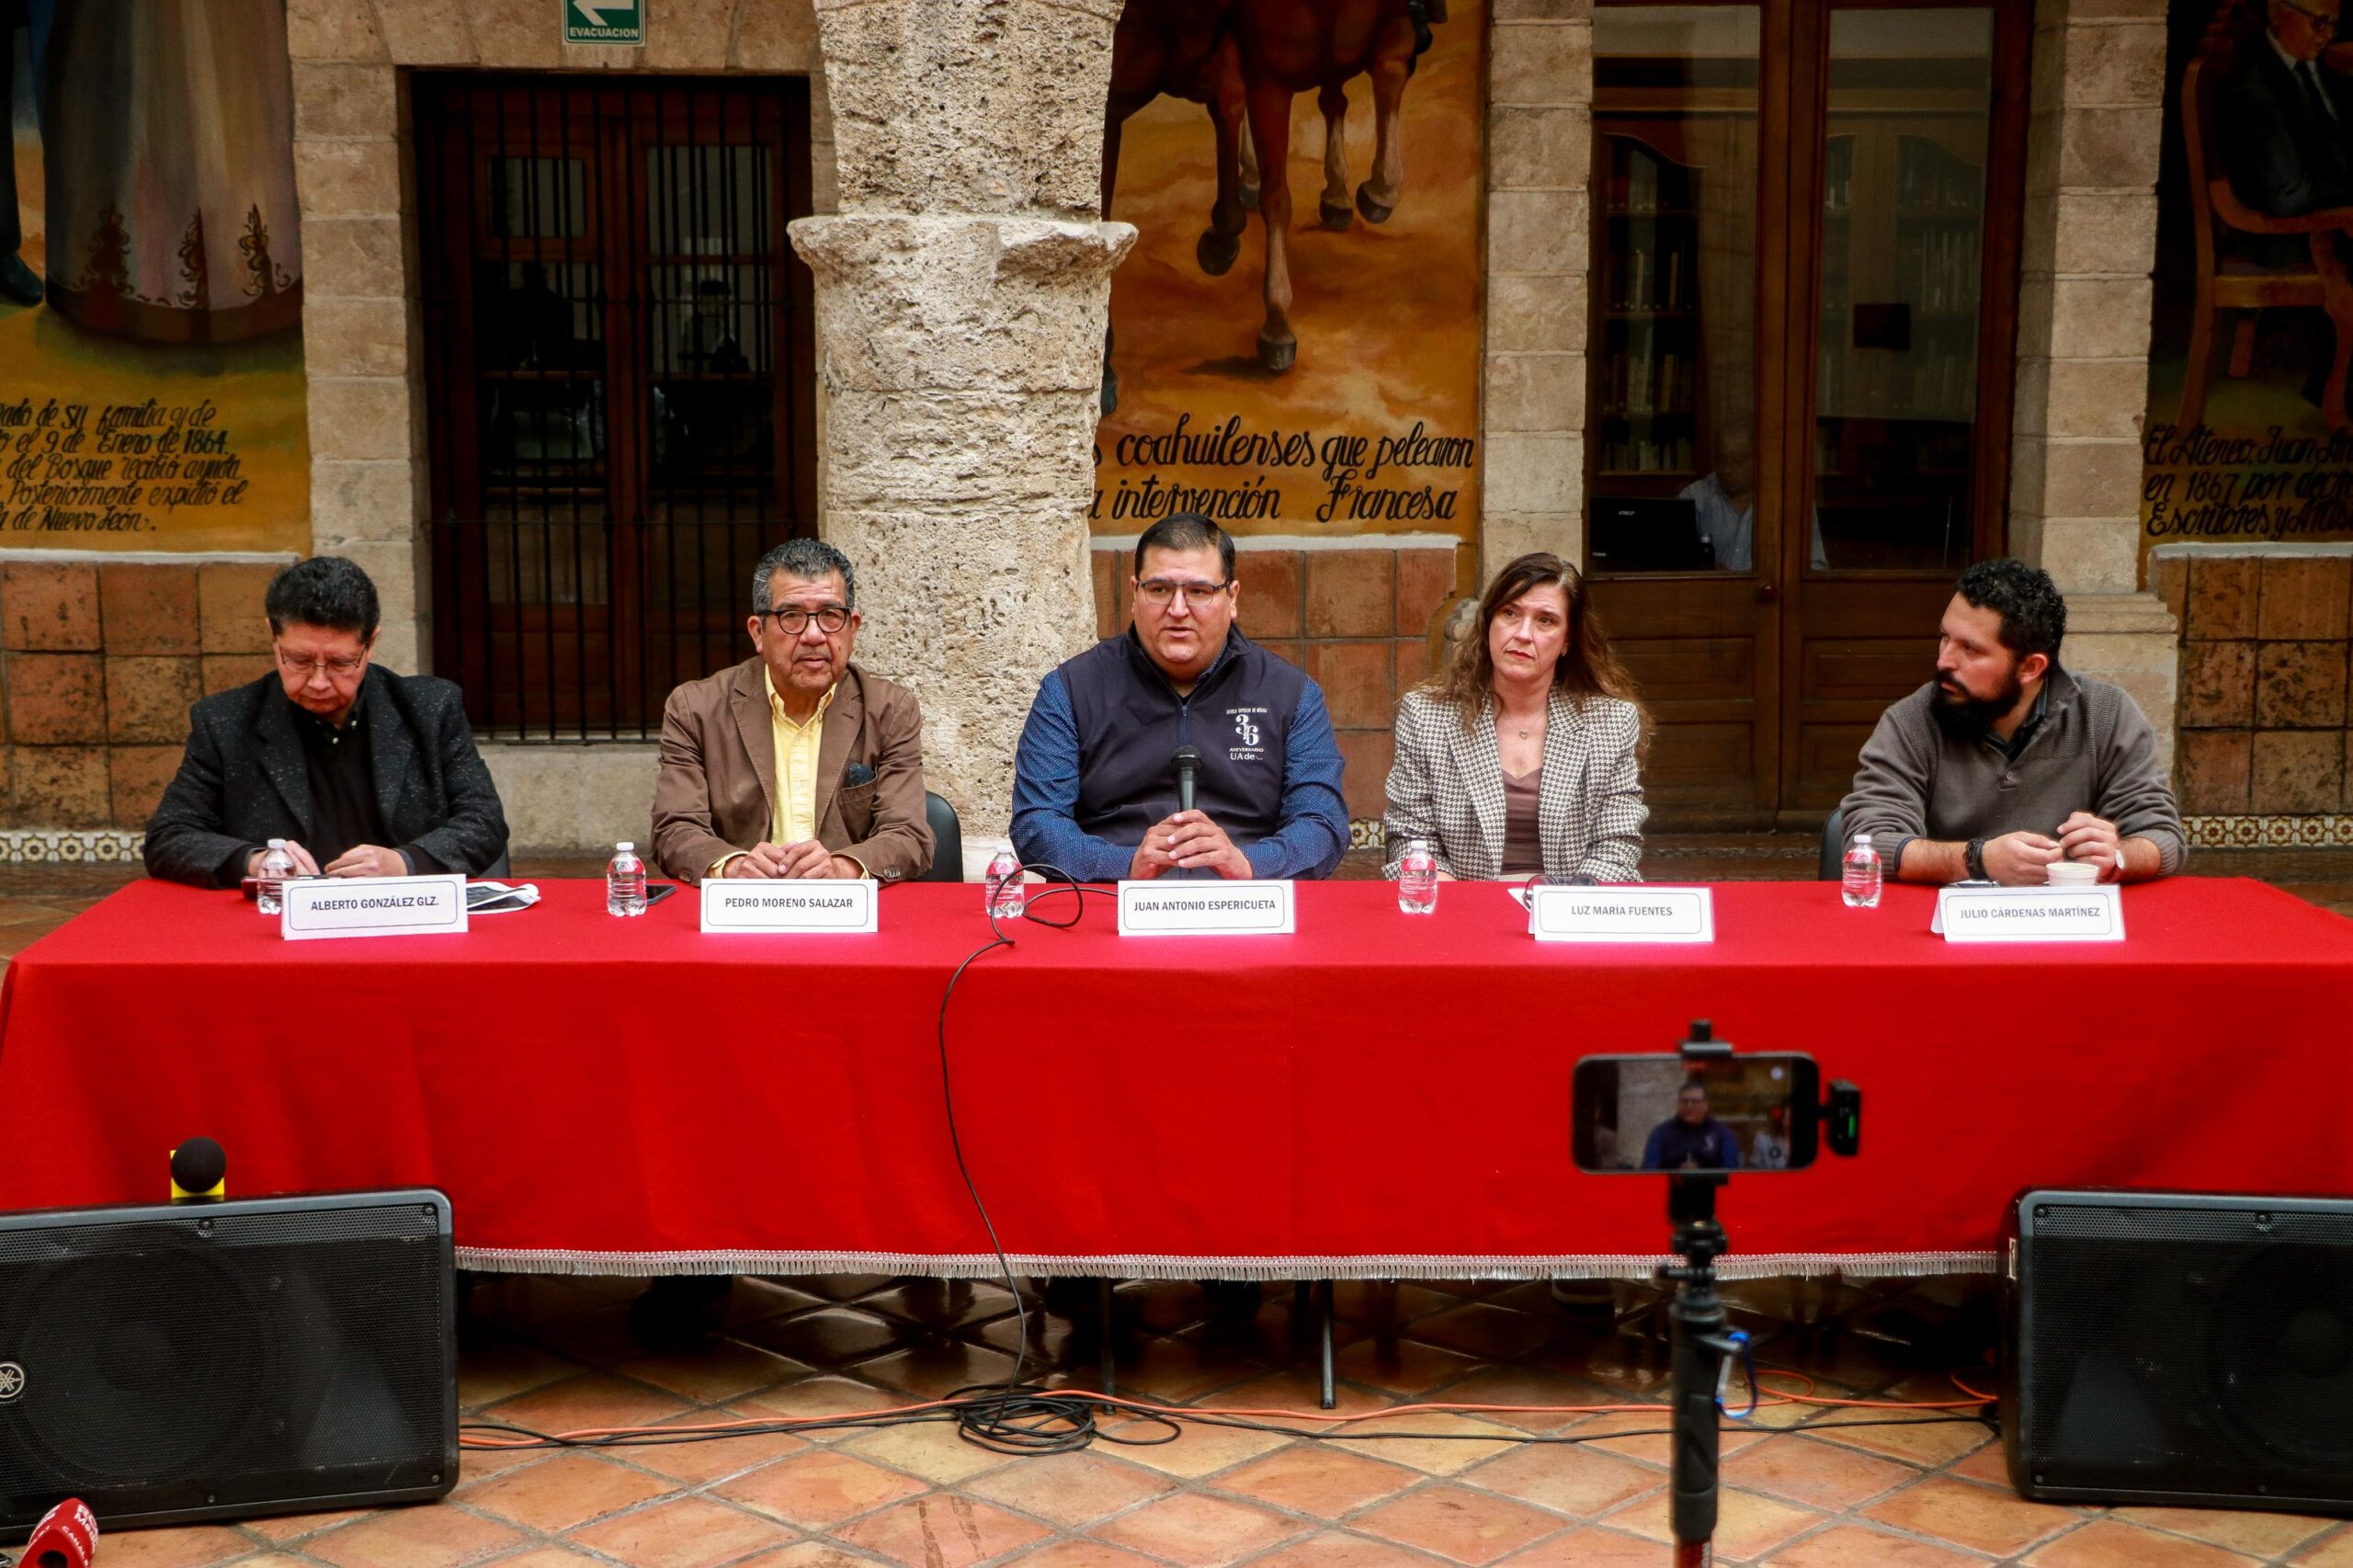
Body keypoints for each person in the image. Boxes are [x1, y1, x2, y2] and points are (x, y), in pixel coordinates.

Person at [1010, 512, 1348, 881]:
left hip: (1247, 901)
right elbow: (1037, 822)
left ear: (1232, 597)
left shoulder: (1290, 693)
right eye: (1159, 590)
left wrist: (1249, 864)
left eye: (1199, 592)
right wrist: (1125, 865)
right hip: (1111, 898)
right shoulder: (1072, 689)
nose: (1177, 610)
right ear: (1135, 593)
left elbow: (1322, 824)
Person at [143, 557, 510, 886]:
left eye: (340, 663)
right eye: (299, 661)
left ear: (371, 643)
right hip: (278, 923)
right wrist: (256, 861)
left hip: (404, 912)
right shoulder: (226, 721)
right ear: (274, 637)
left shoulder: (430, 709)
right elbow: (168, 836)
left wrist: (403, 863)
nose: (319, 682)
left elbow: (484, 822)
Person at [1838, 558, 2186, 885]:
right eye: (1945, 637)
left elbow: (2163, 836)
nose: (1944, 660)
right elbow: (1867, 844)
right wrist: (1977, 859)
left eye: (1970, 649)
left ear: (2030, 667)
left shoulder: (2106, 715)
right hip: (1944, 919)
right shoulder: (1911, 721)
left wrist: (2118, 856)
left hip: (2070, 917)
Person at [651, 537, 934, 885]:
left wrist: (841, 869)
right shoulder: (696, 709)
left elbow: (907, 833)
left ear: (853, 628)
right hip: (742, 903)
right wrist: (733, 866)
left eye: (830, 616)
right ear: (758, 632)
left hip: (843, 905)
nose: (814, 635)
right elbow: (675, 828)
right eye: (792, 617)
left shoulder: (890, 710)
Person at [1383, 551, 1646, 882]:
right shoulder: (1427, 716)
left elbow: (1617, 847)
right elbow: (1410, 838)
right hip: (1460, 906)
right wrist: (1460, 902)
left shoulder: (1610, 723)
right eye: (1510, 613)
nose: (1523, 634)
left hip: (1568, 907)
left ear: (1567, 641)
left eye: (1545, 620)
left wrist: (1558, 900)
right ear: (1489, 623)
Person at [2221, 0, 2353, 268]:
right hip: (2288, 237)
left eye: (2334, 25)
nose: (2329, 35)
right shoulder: (2256, 93)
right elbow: (2292, 198)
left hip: (2332, 217)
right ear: (2277, 14)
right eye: (2320, 22)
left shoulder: (2313, 66)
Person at [1677, 420, 1828, 572]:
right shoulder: (1695, 497)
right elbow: (1671, 565)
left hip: (1767, 587)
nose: (1727, 469)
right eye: (1721, 459)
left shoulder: (1790, 500)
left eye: (1738, 461)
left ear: (1759, 458)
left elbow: (1815, 568)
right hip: (1711, 587)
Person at [1641, 1080, 1742, 1171]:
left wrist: (1700, 1174)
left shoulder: (1722, 1132)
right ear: (1678, 1104)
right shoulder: (1661, 1133)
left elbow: (1731, 1170)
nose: (1689, 1106)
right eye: (1684, 1101)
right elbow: (1649, 1171)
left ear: (1705, 1105)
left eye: (1695, 1102)